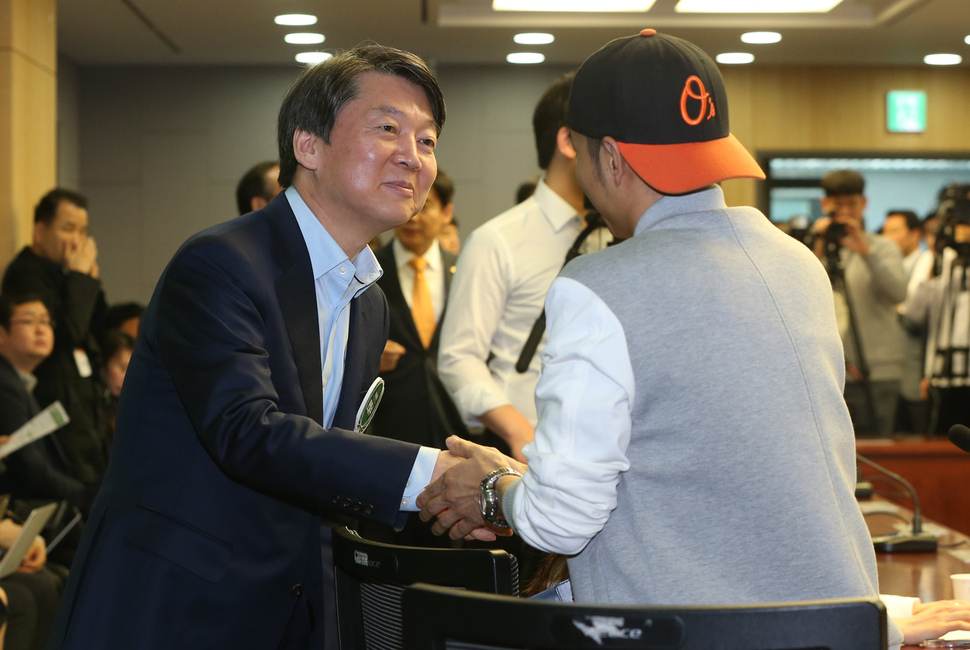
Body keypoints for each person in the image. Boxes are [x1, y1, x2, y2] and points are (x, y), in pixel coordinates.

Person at [420, 28, 901, 647]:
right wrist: (524, 476)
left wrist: (492, 491)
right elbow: (691, 457)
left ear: (610, 158)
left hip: (697, 633)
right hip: (838, 625)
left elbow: (561, 521)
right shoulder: (797, 262)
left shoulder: (598, 285)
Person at [48, 44, 483, 650]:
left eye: (428, 140)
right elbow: (248, 431)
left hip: (286, 611)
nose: (412, 157)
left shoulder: (369, 298)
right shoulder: (222, 263)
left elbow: (326, 465)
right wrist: (435, 474)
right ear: (308, 146)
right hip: (172, 608)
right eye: (388, 128)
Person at [437, 73, 608, 463]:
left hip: (609, 452)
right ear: (568, 142)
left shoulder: (617, 233)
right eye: (608, 140)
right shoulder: (497, 240)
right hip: (527, 453)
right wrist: (519, 432)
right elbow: (458, 357)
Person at [1, 190, 110, 485]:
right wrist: (79, 279)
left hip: (85, 407)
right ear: (40, 231)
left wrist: (90, 282)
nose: (76, 241)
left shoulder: (68, 274)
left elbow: (98, 331)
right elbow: (65, 335)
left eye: (83, 232)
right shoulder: (25, 275)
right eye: (68, 229)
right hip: (56, 408)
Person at [810, 170, 908, 437]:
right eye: (837, 204)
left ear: (864, 204)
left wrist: (867, 253)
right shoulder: (811, 251)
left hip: (878, 370)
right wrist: (815, 245)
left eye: (851, 204)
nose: (844, 212)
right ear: (824, 205)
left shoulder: (883, 247)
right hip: (828, 371)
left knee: (879, 452)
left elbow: (898, 293)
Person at [0, 293, 95, 517]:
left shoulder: (19, 381)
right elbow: (28, 464)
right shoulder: (5, 383)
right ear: (1, 333)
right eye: (28, 321)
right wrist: (84, 496)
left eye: (45, 321)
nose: (41, 329)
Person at [882, 209, 934, 432]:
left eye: (895, 231)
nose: (888, 237)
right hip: (891, 369)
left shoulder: (929, 261)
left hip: (918, 368)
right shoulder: (887, 267)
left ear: (915, 234)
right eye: (885, 231)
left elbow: (913, 311)